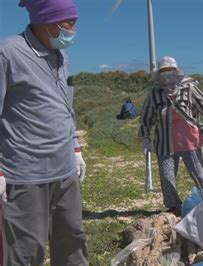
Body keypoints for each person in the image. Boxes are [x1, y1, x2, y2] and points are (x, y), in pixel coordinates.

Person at [0, 0, 88, 264]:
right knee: (26, 249)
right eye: (68, 22)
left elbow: (64, 108)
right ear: (46, 22)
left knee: (73, 240)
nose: (74, 29)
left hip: (64, 171)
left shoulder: (62, 57)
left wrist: (75, 149)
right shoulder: (8, 53)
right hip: (25, 174)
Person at [139, 56, 203, 217]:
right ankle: (173, 207)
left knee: (198, 173)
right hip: (164, 142)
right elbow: (146, 116)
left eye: (170, 70)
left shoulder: (189, 87)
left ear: (176, 71)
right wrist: (145, 138)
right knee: (167, 177)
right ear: (159, 74)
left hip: (190, 139)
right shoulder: (155, 93)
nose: (167, 74)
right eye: (163, 71)